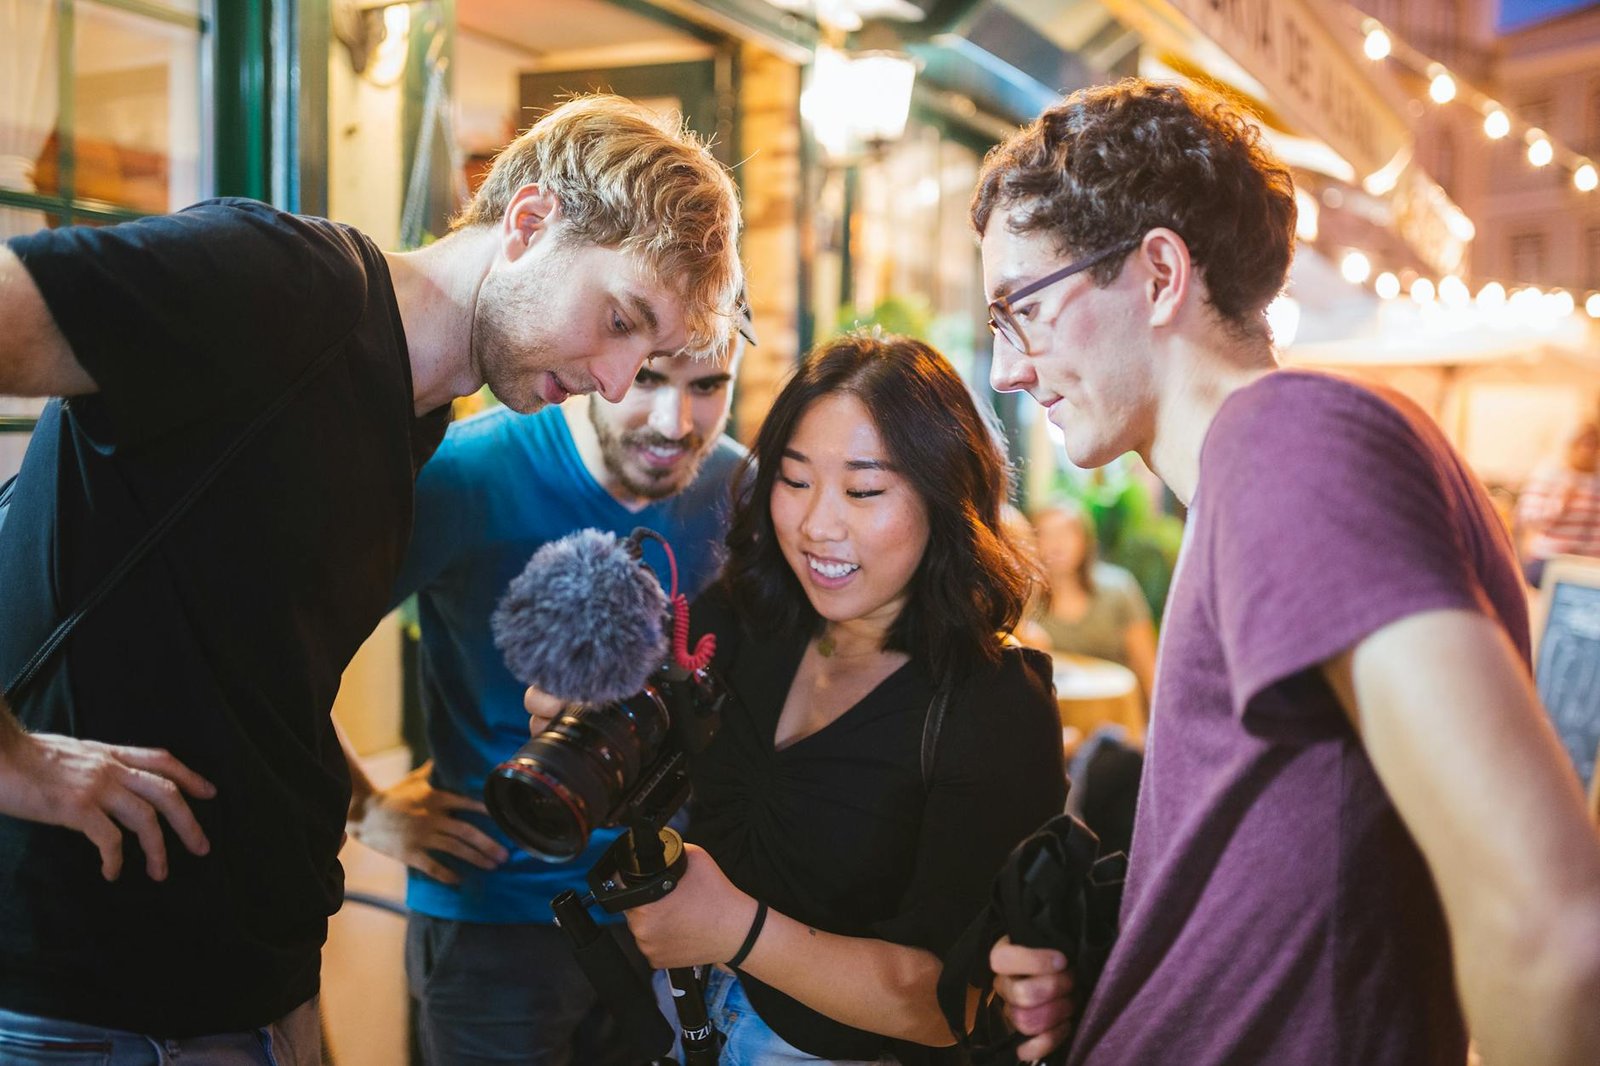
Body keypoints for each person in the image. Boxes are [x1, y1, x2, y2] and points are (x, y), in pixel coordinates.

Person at [0, 95, 741, 1062]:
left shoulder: (409, 419)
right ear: (528, 223)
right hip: (89, 999)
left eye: (649, 357)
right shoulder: (285, 283)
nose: (615, 384)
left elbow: (262, 684)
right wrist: (11, 759)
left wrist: (343, 848)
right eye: (618, 322)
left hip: (247, 991)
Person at [972, 79, 1600, 1065]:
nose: (1007, 367)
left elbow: (1550, 927)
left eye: (1021, 309)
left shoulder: (1288, 439)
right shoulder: (1253, 469)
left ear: (1159, 274)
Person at [526, 332, 1066, 1064]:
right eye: (794, 478)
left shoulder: (995, 705)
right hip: (685, 1026)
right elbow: (652, 716)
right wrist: (586, 717)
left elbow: (952, 1002)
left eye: (864, 490)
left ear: (946, 497)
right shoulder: (752, 616)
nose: (817, 525)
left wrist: (737, 931)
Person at [344, 306, 755, 1066]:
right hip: (493, 921)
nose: (676, 421)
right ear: (595, 362)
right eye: (649, 378)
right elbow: (283, 645)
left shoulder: (739, 487)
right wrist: (362, 806)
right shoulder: (467, 473)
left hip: (675, 912)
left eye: (709, 385)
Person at [1020, 500, 1157, 703]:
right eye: (1044, 534)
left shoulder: (1119, 589)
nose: (1057, 544)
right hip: (1052, 711)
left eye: (1066, 533)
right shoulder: (1024, 598)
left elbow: (1148, 668)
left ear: (1086, 540)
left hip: (1114, 712)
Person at [1515, 418, 1600, 588]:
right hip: (1552, 559)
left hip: (1590, 560)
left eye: (1594, 445)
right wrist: (1559, 504)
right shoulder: (1550, 474)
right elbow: (1527, 518)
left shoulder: (1596, 479)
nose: (1588, 451)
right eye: (1584, 444)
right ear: (1571, 446)